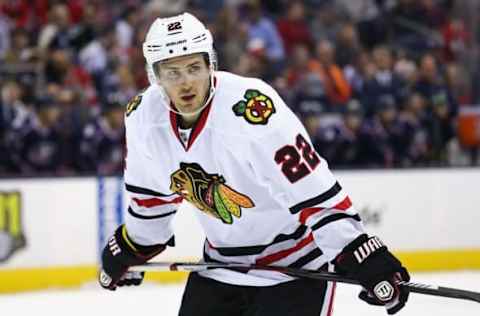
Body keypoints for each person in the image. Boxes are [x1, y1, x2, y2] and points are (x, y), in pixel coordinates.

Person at [98, 13, 410, 316]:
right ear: (155, 76)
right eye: (172, 73)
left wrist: (360, 251)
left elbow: (312, 192)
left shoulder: (252, 110)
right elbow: (152, 200)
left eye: (194, 67)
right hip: (220, 268)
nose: (186, 83)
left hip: (294, 270)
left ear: (210, 64)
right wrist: (131, 245)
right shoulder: (142, 116)